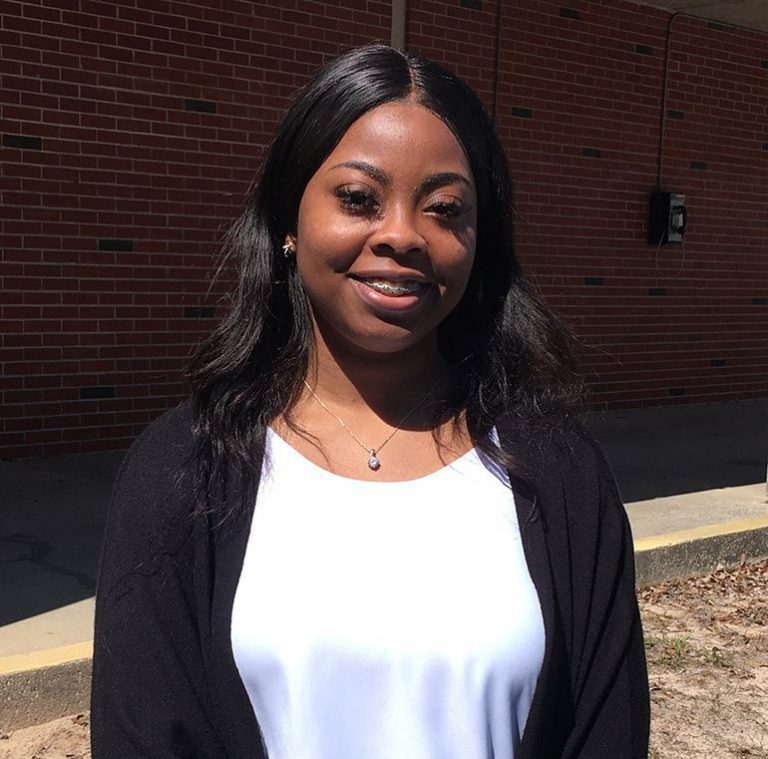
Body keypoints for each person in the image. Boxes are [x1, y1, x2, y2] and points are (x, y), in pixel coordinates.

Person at [90, 44, 650, 758]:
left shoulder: (559, 473)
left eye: (444, 208)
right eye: (358, 199)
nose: (402, 235)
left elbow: (606, 730)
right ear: (289, 220)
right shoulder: (182, 471)